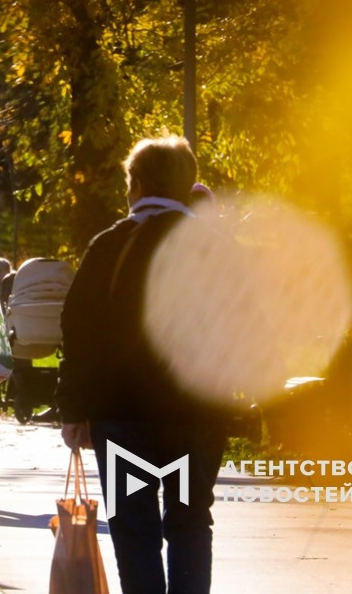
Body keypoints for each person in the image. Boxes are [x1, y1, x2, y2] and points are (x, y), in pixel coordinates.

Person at [56, 136, 228, 594]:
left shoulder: (108, 246)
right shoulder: (213, 246)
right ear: (189, 184)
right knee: (190, 521)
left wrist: (74, 410)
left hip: (123, 415)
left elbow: (79, 332)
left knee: (134, 530)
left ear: (132, 186)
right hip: (196, 416)